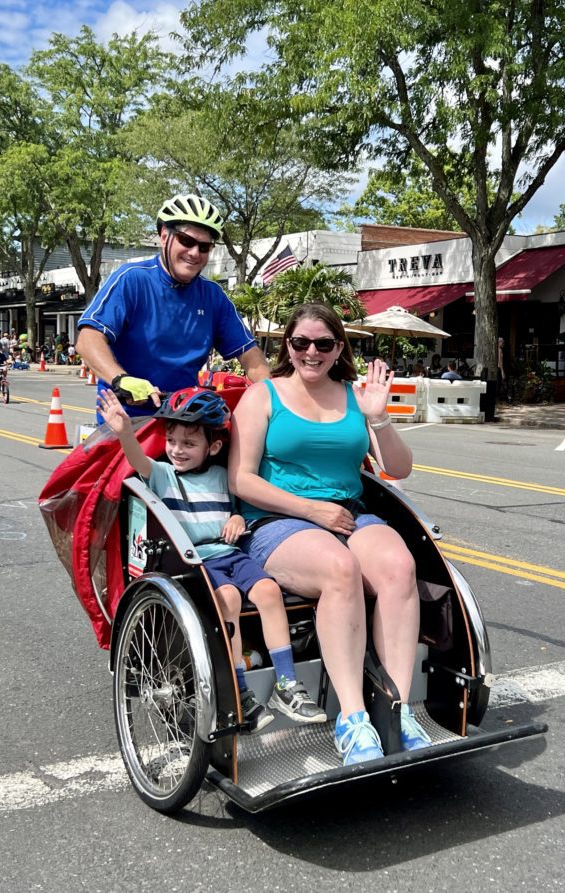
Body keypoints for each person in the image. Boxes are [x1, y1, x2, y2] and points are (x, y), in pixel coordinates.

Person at [229, 302, 430, 766]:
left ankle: (397, 711)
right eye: (301, 342)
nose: (312, 352)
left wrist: (378, 417)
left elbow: (399, 468)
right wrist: (309, 509)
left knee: (400, 566)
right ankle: (353, 720)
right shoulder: (263, 396)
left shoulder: (354, 397)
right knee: (341, 569)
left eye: (323, 343)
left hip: (347, 514)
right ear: (288, 346)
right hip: (275, 519)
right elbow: (240, 479)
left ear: (339, 348)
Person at [98, 386, 325, 732]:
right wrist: (125, 433)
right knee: (229, 599)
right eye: (171, 441)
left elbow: (236, 512)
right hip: (197, 561)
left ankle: (286, 683)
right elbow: (138, 460)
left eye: (188, 444)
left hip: (230, 552)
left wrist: (237, 519)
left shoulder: (222, 477)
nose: (177, 450)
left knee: (269, 591)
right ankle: (240, 691)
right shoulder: (163, 474)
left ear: (213, 447)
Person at [77, 194, 270, 419]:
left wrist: (275, 403)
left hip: (184, 420)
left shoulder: (213, 295)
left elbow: (251, 356)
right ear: (164, 236)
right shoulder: (131, 279)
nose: (194, 253)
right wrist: (121, 379)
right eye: (186, 241)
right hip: (127, 419)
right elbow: (88, 340)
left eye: (204, 247)